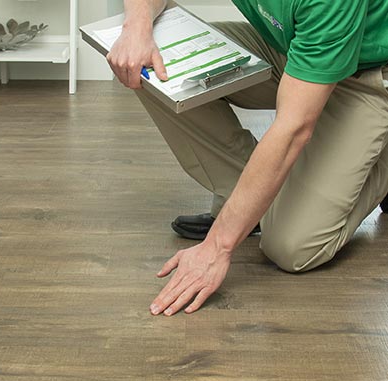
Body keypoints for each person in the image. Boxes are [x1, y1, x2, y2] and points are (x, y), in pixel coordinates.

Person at [107, 0, 388, 316]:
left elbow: (294, 128)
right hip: (292, 47)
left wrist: (217, 247)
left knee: (292, 247)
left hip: (366, 75)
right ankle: (250, 205)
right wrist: (137, 27)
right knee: (145, 60)